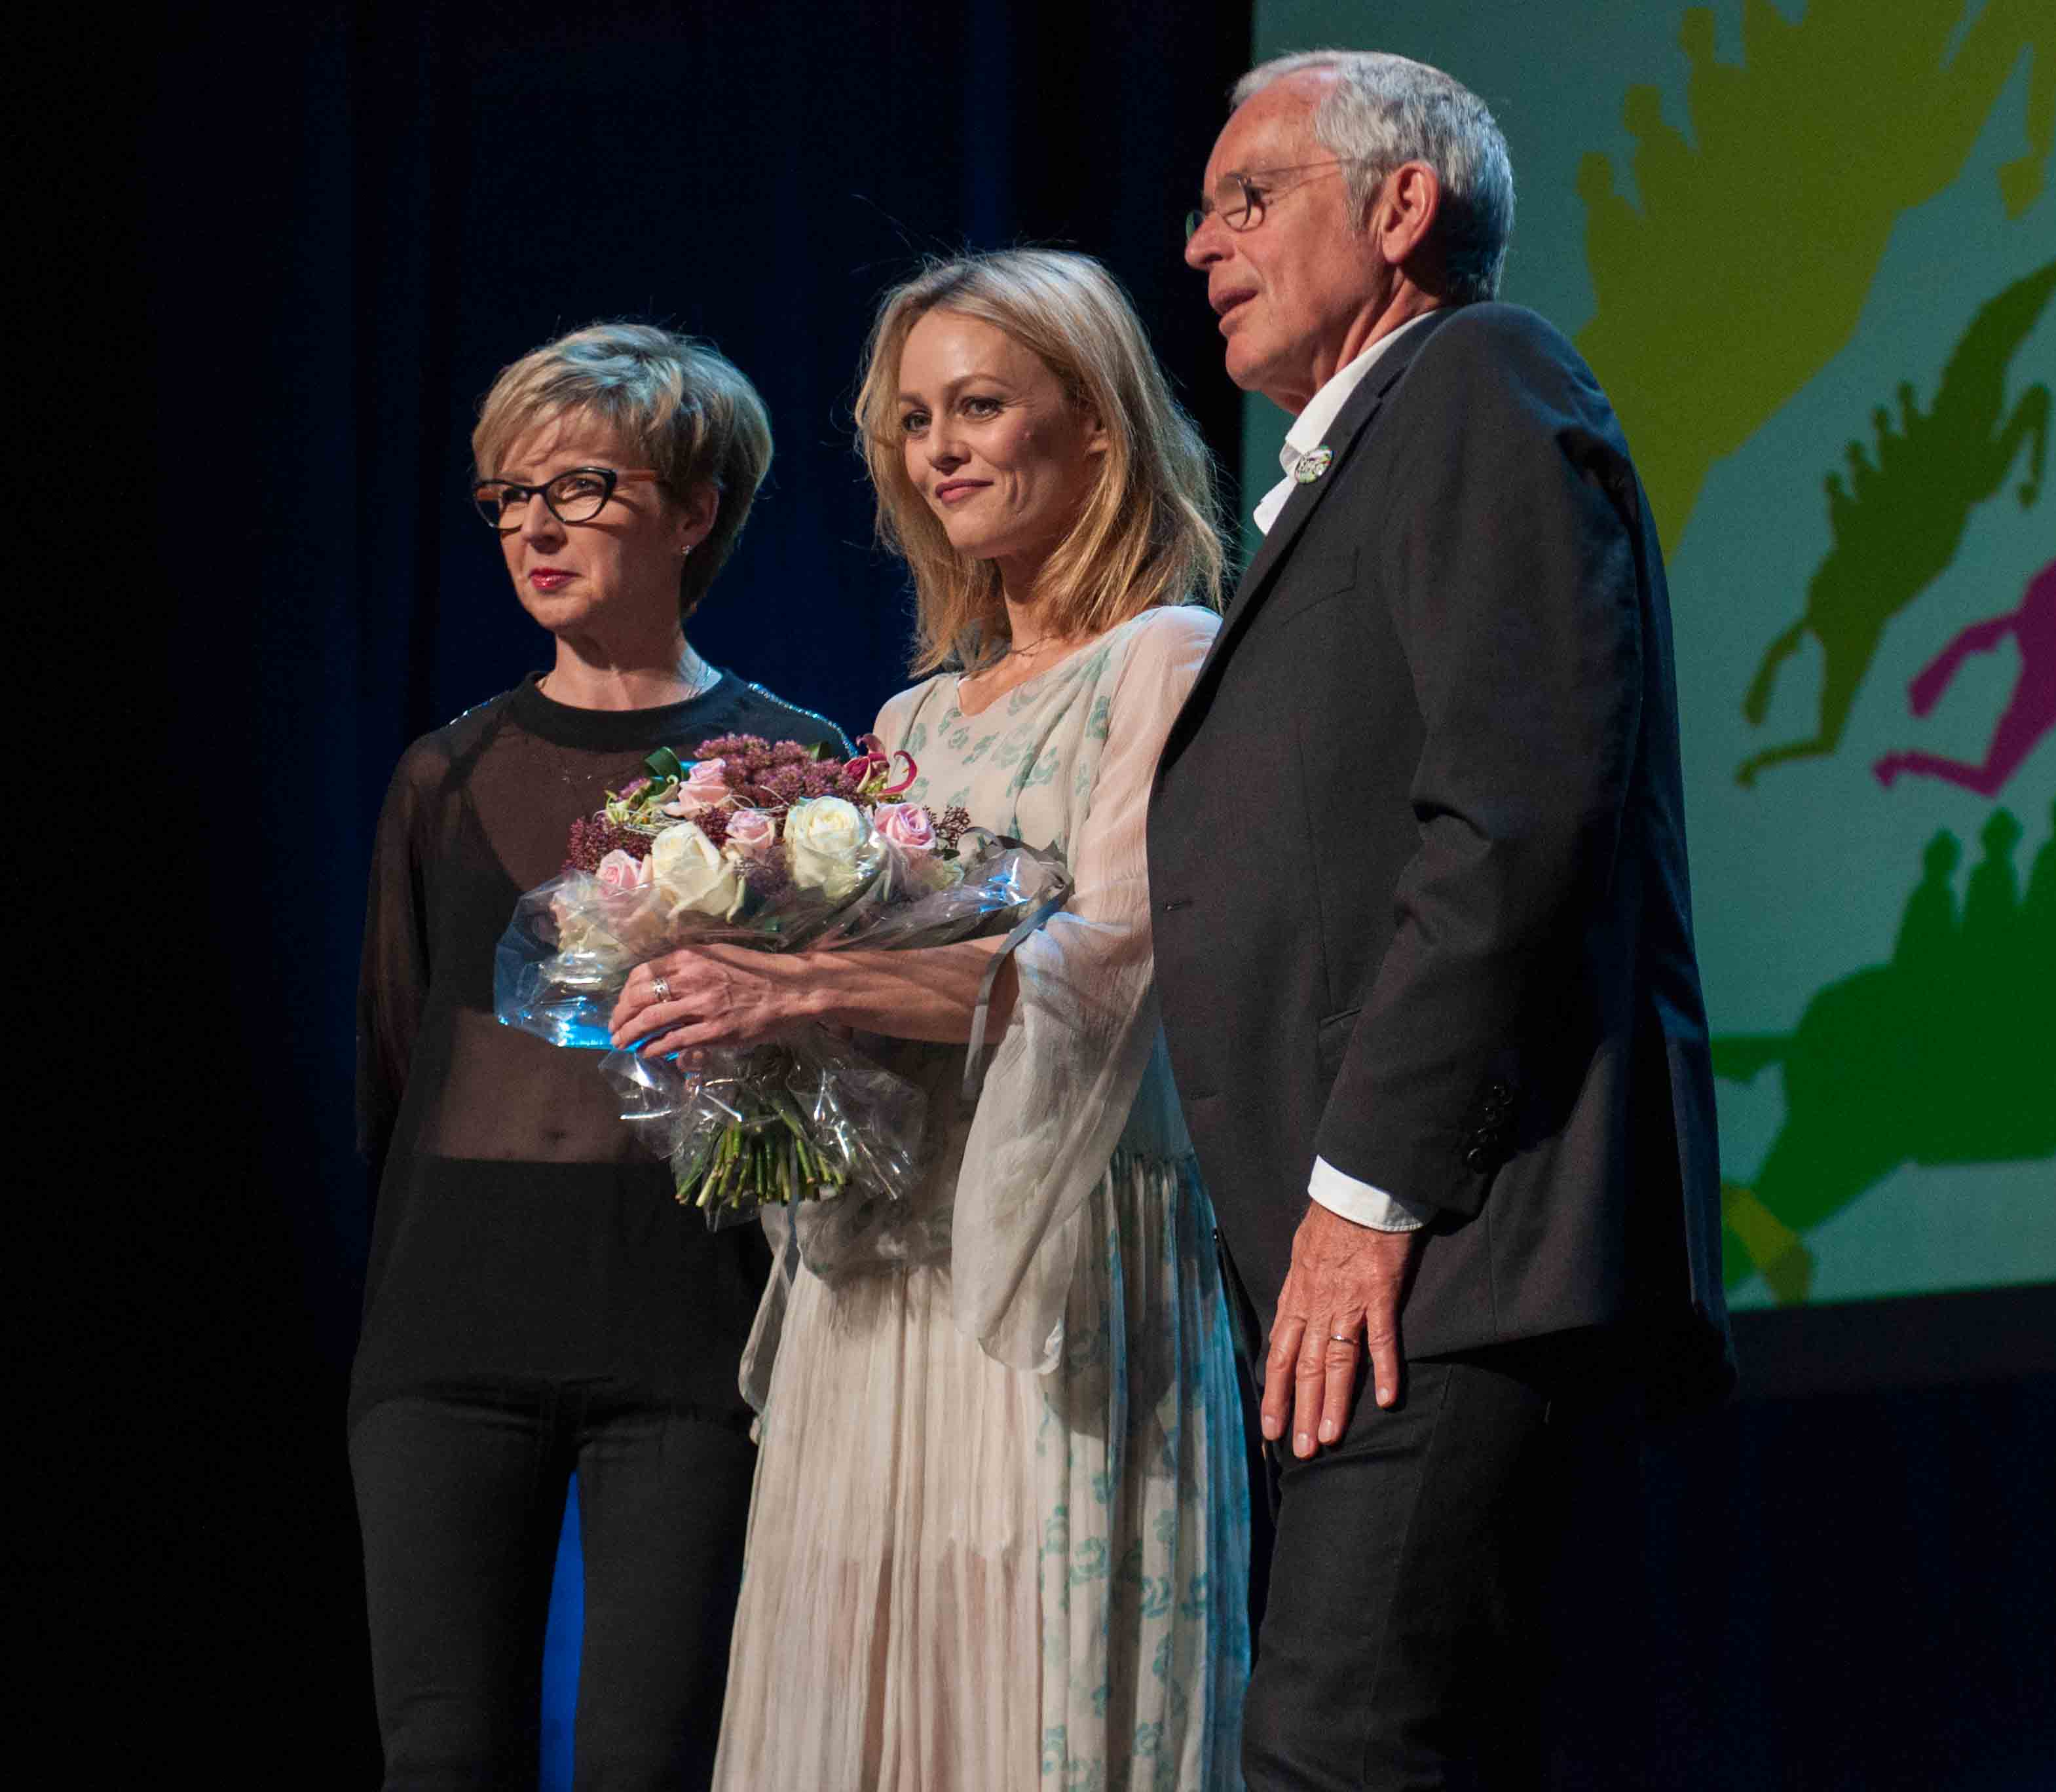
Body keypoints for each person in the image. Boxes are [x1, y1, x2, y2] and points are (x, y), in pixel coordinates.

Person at [1152, 50, 1735, 1786]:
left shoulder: (1477, 380)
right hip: (1387, 1277)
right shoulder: (1375, 452)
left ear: (1398, 209)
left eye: (1248, 199)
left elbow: (1511, 819)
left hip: (1445, 1259)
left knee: (1340, 1750)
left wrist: (1364, 1196)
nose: (1199, 246)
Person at [608, 250, 1246, 1790]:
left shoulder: (1164, 662)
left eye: (980, 406)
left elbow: (1111, 969)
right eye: (910, 420)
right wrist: (712, 997)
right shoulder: (900, 726)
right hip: (882, 1282)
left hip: (1059, 1278)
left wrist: (804, 980)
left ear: (1094, 428)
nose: (940, 448)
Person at [353, 322, 850, 1786]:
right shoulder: (441, 776)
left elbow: (821, 1084)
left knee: (655, 1757)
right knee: (440, 1756)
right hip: (447, 1330)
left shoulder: (794, 767)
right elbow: (395, 1063)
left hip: (689, 1326)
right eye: (509, 496)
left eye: (579, 485)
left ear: (694, 511)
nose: (536, 527)